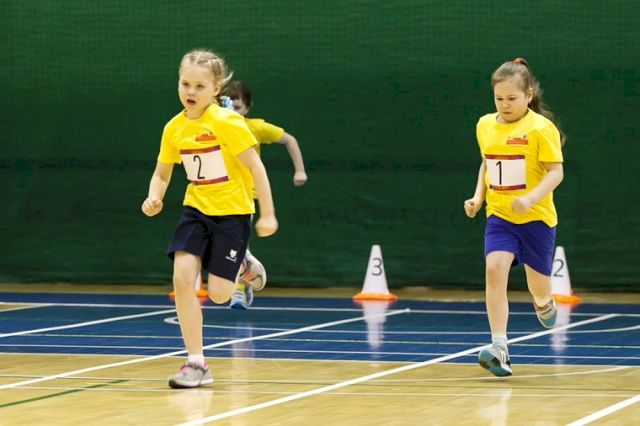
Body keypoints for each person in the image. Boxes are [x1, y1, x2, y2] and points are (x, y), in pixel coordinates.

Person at [141, 49, 278, 388]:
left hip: (232, 213)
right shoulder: (174, 128)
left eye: (200, 86)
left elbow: (256, 167)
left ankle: (242, 265)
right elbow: (162, 172)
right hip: (196, 210)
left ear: (216, 89)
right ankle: (196, 363)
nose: (191, 91)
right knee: (182, 279)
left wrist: (268, 214)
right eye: (185, 84)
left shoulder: (227, 123)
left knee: (219, 294)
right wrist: (154, 196)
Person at [464, 58, 565, 377]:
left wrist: (530, 198)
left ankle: (544, 301)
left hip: (536, 219)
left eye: (512, 98)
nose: (505, 104)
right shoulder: (485, 125)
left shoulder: (541, 128)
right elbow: (487, 163)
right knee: (494, 268)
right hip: (500, 216)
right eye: (499, 98)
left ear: (528, 94)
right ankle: (499, 347)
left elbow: (556, 172)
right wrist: (478, 197)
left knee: (539, 289)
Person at [221, 80, 307, 310]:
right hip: (217, 195)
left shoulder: (255, 128)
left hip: (244, 196)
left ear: (247, 108)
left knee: (237, 244)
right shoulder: (216, 128)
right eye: (227, 106)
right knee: (223, 245)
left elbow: (289, 140)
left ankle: (239, 289)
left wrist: (299, 170)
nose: (233, 112)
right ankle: (248, 272)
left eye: (237, 107)